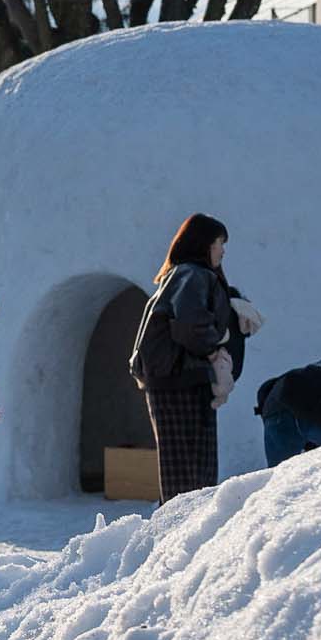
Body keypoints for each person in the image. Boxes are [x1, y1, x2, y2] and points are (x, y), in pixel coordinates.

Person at [129, 213, 250, 502]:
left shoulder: (184, 275)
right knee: (189, 479)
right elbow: (189, 323)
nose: (223, 251)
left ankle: (183, 527)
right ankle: (179, 529)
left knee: (188, 475)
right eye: (219, 243)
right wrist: (213, 352)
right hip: (181, 381)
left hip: (178, 380)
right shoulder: (192, 274)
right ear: (203, 244)